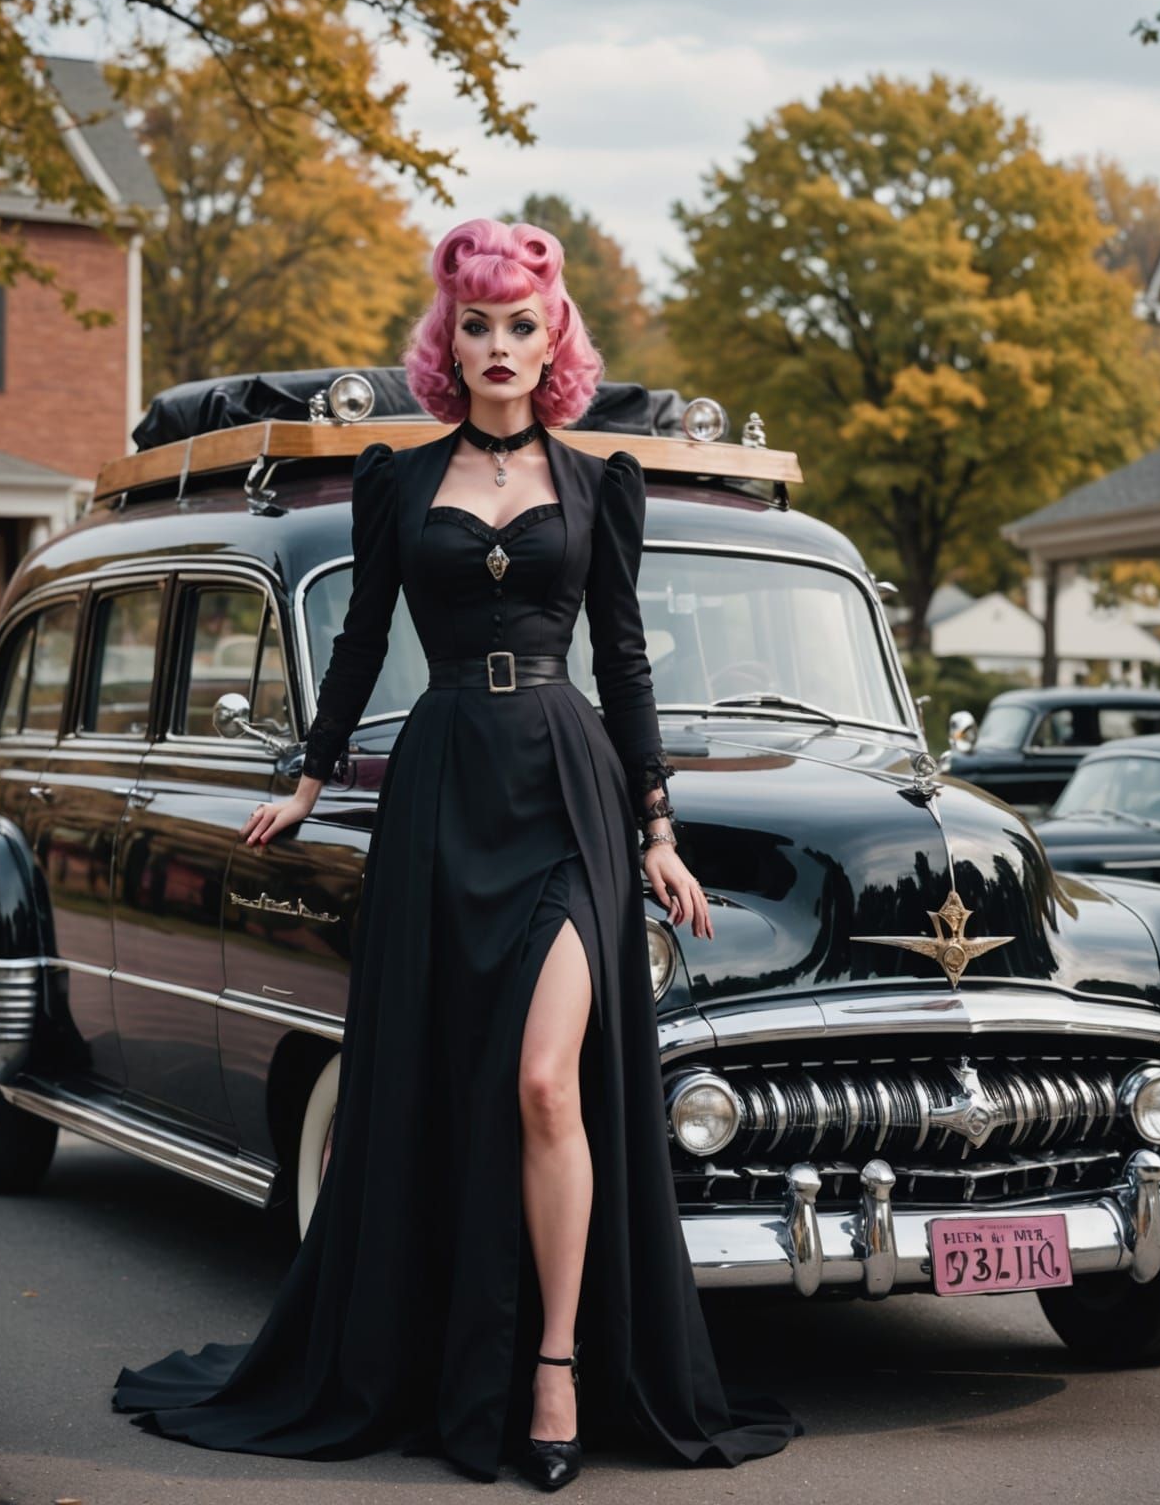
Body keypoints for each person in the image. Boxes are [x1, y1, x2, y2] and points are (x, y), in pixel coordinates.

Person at [111, 218, 803, 1489]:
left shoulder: (600, 485)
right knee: (439, 1085)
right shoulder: (395, 479)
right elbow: (365, 638)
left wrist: (658, 831)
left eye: (520, 325)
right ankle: (446, 1353)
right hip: (438, 789)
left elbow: (626, 662)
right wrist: (308, 778)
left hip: (567, 792)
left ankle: (556, 1365)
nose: (497, 345)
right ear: (450, 339)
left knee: (546, 1082)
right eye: (475, 324)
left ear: (554, 342)